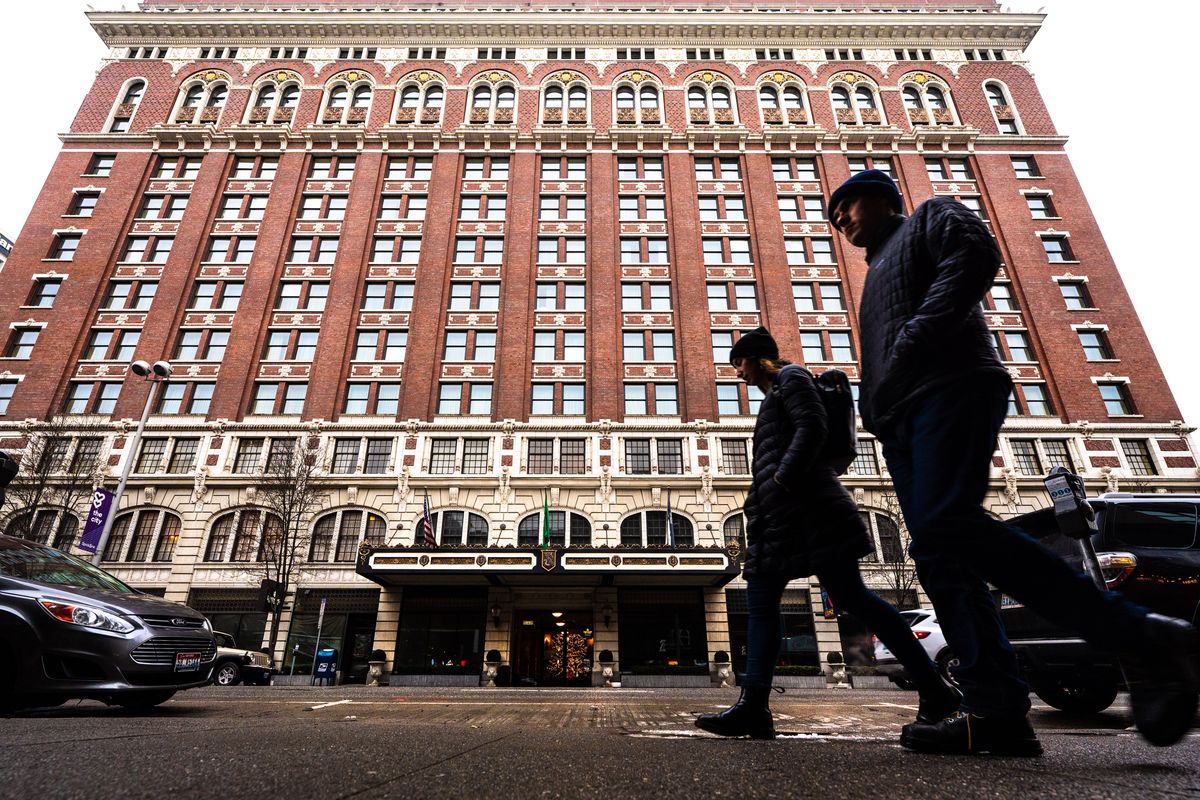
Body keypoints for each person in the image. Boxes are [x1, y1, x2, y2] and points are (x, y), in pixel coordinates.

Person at [829, 169, 1200, 755]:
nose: (840, 220)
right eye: (834, 215)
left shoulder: (930, 216)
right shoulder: (877, 271)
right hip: (902, 420)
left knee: (950, 524)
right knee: (938, 556)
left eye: (846, 205)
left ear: (883, 199)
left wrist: (917, 336)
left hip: (950, 387)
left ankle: (1143, 636)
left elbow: (976, 253)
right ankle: (995, 711)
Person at [695, 327, 961, 740]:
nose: (738, 374)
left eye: (739, 364)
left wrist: (782, 479)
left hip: (810, 510)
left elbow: (813, 428)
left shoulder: (792, 378)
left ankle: (934, 688)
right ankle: (753, 707)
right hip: (781, 516)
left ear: (756, 358)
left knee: (853, 598)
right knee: (766, 601)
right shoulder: (775, 394)